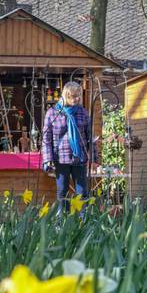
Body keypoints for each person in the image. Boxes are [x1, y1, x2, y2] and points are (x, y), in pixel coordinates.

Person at [42, 81, 95, 210]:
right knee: (62, 193)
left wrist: (94, 158)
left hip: (79, 158)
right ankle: (62, 224)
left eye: (78, 96)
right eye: (73, 95)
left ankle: (84, 222)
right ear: (66, 95)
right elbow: (46, 138)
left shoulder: (83, 113)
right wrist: (47, 159)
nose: (77, 99)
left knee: (82, 193)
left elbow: (90, 137)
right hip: (60, 158)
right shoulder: (53, 113)